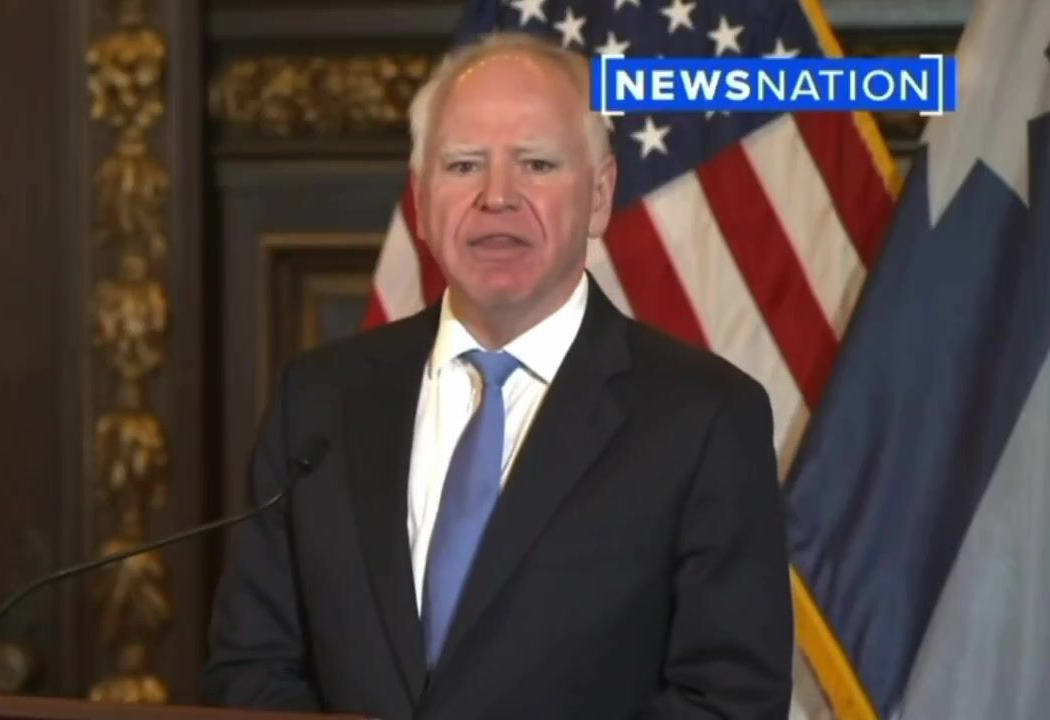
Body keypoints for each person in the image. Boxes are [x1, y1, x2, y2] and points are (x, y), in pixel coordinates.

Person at [201, 31, 793, 720]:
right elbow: (252, 670)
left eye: (537, 164)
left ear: (599, 195)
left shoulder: (704, 417)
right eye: (464, 165)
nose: (498, 196)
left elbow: (727, 700)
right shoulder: (318, 402)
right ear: (421, 201)